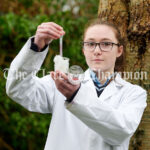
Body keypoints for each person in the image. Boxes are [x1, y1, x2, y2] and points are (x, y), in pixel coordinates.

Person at [6, 19, 147, 150]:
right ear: (83, 50)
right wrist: (36, 47)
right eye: (91, 44)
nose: (97, 51)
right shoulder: (60, 82)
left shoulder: (134, 94)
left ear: (119, 50)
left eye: (106, 44)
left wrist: (76, 95)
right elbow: (18, 89)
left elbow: (120, 132)